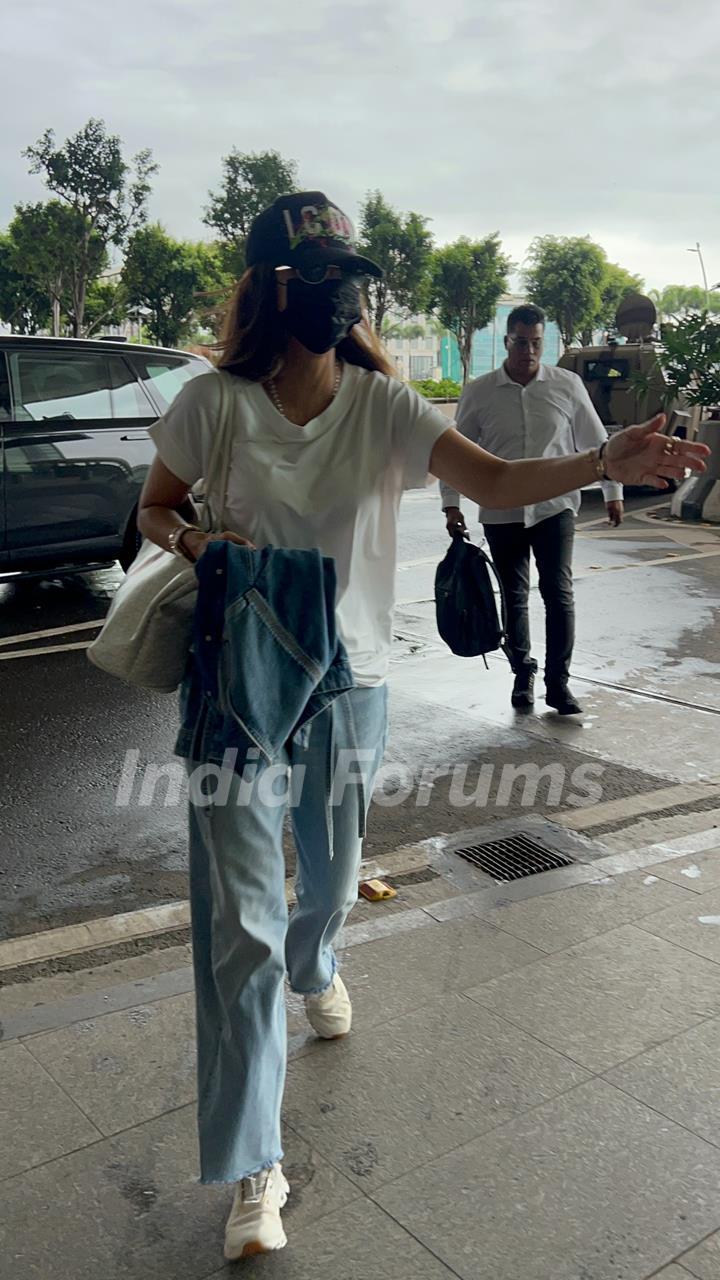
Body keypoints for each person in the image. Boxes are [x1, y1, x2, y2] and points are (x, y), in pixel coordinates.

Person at [136, 192, 706, 1262]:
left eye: (347, 271)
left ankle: (321, 963)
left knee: (334, 866)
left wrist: (599, 464)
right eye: (315, 270)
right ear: (270, 285)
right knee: (239, 926)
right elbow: (156, 507)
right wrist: (197, 547)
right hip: (240, 683)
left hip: (349, 682)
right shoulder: (210, 402)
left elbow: (490, 478)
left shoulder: (381, 404)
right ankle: (257, 1163)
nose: (338, 289)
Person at [441, 304, 625, 715]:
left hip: (555, 508)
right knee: (513, 596)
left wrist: (613, 490)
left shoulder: (567, 385)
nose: (529, 350)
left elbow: (596, 444)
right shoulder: (480, 391)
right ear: (507, 341)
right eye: (521, 342)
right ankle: (522, 673)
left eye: (536, 343)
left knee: (558, 593)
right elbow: (455, 452)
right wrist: (451, 505)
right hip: (501, 510)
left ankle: (559, 684)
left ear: (545, 341)